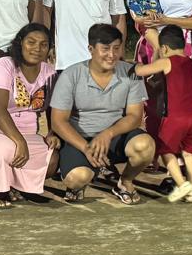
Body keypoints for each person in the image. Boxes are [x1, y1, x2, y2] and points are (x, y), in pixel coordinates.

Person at [49, 24, 155, 203]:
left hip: (115, 137)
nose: (112, 55)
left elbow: (135, 116)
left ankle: (125, 181)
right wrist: (85, 148)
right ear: (91, 49)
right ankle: (84, 176)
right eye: (105, 49)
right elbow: (58, 121)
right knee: (76, 178)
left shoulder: (130, 72)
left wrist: (108, 133)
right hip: (80, 138)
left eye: (116, 48)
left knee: (145, 146)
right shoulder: (71, 75)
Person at [0, 23, 60, 209]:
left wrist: (53, 132)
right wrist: (19, 142)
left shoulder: (49, 72)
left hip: (26, 135)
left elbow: (54, 108)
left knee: (52, 159)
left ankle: (11, 183)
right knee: (7, 148)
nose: (37, 48)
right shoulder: (4, 65)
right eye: (31, 42)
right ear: (20, 43)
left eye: (44, 44)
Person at [135, 25, 192, 202]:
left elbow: (141, 71)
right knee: (189, 154)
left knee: (166, 151)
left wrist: (138, 64)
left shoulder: (167, 61)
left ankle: (183, 185)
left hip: (175, 118)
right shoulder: (191, 63)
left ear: (164, 48)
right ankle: (191, 187)